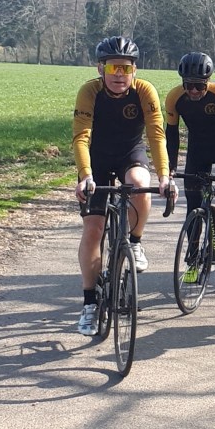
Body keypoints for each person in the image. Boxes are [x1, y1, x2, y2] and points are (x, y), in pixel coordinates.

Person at [73, 36, 176, 336]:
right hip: (97, 159)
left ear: (134, 70)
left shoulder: (144, 91)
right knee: (93, 229)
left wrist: (165, 176)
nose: (119, 74)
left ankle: (134, 240)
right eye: (112, 67)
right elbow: (81, 137)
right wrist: (85, 175)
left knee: (140, 183)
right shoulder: (89, 92)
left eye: (126, 68)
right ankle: (90, 303)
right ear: (100, 69)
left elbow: (156, 135)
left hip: (130, 153)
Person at [165, 52, 215, 282]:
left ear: (208, 81)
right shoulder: (174, 98)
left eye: (199, 86)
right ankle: (192, 261)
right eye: (189, 85)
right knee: (193, 205)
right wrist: (170, 167)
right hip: (197, 151)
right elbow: (171, 136)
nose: (193, 91)